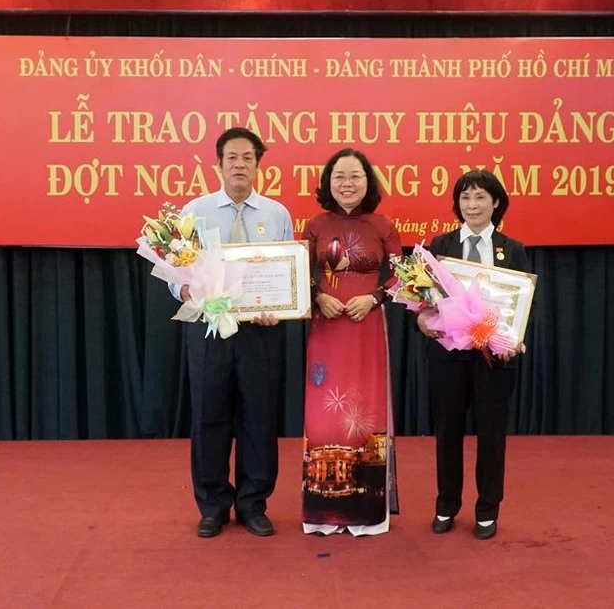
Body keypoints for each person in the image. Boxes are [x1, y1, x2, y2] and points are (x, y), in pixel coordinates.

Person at [171, 127, 293, 538]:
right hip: (209, 329)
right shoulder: (195, 211)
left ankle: (253, 504)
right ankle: (213, 506)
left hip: (261, 332)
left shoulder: (277, 214)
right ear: (218, 164)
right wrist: (184, 290)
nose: (239, 165)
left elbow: (285, 272)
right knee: (210, 416)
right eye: (232, 158)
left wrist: (280, 306)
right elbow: (177, 272)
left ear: (258, 165)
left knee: (259, 418)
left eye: (247, 158)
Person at [418, 169, 529, 540]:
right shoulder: (441, 245)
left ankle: (487, 509)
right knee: (448, 431)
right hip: (448, 355)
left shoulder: (513, 249)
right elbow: (425, 299)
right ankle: (446, 505)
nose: (472, 205)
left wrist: (515, 339)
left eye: (480, 197)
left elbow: (522, 304)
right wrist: (423, 320)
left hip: (493, 358)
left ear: (496, 202)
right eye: (465, 197)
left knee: (492, 433)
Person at [301, 148, 402, 536]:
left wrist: (373, 298)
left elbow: (401, 276)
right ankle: (322, 512)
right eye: (339, 177)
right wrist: (317, 296)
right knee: (323, 415)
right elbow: (300, 272)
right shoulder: (315, 224)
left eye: (355, 176)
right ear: (328, 183)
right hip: (326, 330)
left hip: (367, 327)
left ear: (368, 181)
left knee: (366, 408)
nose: (347, 184)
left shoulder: (383, 224)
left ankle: (366, 512)